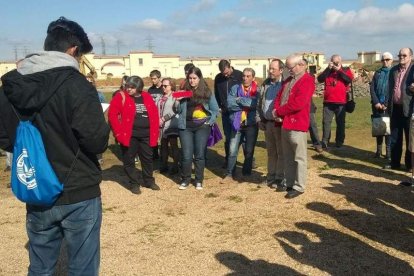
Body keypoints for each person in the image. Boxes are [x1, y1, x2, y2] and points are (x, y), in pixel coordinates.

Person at [0, 17, 110, 275]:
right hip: (78, 189)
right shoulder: (77, 85)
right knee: (82, 267)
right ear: (73, 50)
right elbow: (96, 141)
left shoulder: (10, 87)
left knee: (40, 267)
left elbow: (5, 138)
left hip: (35, 187)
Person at [108, 76, 160, 194]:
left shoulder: (146, 96)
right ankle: (134, 183)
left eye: (132, 87)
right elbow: (112, 115)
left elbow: (154, 114)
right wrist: (118, 133)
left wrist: (155, 131)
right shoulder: (120, 96)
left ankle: (149, 181)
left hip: (146, 135)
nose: (129, 89)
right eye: (127, 86)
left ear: (139, 88)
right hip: (130, 135)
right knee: (129, 160)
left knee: (147, 159)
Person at [273, 55, 315, 198]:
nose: (288, 70)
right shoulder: (288, 80)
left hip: (297, 123)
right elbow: (279, 97)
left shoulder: (307, 80)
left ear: (301, 65)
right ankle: (290, 182)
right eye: (287, 67)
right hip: (284, 122)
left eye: (290, 67)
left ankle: (299, 185)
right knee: (288, 156)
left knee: (299, 157)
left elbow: (299, 103)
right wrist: (277, 111)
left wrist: (279, 111)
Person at [175, 67, 219, 190]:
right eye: (190, 78)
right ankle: (185, 179)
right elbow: (176, 110)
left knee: (199, 154)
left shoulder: (207, 92)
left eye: (194, 78)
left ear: (199, 78)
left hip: (202, 127)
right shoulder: (184, 92)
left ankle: (199, 180)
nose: (192, 81)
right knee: (186, 155)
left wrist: (209, 122)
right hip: (185, 127)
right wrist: (178, 102)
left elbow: (215, 110)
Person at [221, 68, 259, 183]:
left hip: (251, 123)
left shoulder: (257, 90)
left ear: (253, 78)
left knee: (249, 150)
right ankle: (229, 174)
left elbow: (256, 104)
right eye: (243, 76)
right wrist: (247, 102)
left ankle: (246, 173)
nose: (245, 78)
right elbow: (230, 104)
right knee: (232, 150)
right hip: (237, 123)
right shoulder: (235, 88)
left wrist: (240, 100)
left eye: (248, 76)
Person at [384, 48, 414, 171]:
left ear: (411, 56)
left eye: (404, 55)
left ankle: (409, 165)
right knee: (395, 137)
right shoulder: (393, 70)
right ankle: (395, 163)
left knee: (410, 138)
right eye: (400, 55)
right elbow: (390, 90)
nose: (401, 57)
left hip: (409, 109)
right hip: (395, 108)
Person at [257, 59, 285, 187]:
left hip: (279, 124)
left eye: (273, 69)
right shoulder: (265, 84)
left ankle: (279, 178)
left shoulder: (285, 84)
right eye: (270, 68)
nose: (270, 71)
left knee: (281, 152)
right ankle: (270, 177)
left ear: (281, 70)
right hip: (267, 123)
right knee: (271, 152)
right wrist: (259, 119)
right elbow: (259, 103)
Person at [317, 54, 353, 149]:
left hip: (341, 102)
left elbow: (348, 80)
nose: (335, 64)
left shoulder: (346, 70)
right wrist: (328, 69)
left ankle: (339, 142)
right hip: (328, 102)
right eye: (333, 62)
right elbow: (320, 79)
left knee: (340, 123)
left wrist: (339, 70)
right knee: (326, 122)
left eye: (337, 62)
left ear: (340, 62)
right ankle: (325, 141)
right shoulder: (328, 71)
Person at [214, 59, 243, 168]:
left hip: (238, 112)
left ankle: (249, 160)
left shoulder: (239, 75)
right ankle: (228, 160)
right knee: (228, 136)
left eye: (227, 73)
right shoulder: (218, 78)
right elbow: (216, 93)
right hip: (225, 112)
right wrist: (219, 106)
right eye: (223, 73)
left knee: (240, 136)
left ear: (230, 67)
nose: (225, 75)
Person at [370, 52, 393, 159]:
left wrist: (386, 104)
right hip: (377, 105)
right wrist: (376, 102)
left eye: (387, 59)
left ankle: (388, 152)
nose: (385, 61)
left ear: (391, 60)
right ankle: (378, 151)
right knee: (378, 127)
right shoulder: (377, 73)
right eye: (383, 60)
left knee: (388, 129)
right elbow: (372, 88)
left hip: (389, 106)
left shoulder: (394, 73)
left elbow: (393, 90)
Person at [158, 77, 180, 175]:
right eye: (162, 85)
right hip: (161, 126)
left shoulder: (175, 96)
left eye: (166, 86)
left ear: (171, 86)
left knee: (173, 146)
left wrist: (163, 118)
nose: (163, 87)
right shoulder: (160, 97)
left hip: (171, 125)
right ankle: (164, 165)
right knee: (163, 146)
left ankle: (176, 165)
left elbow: (176, 110)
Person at [148, 70, 163, 160]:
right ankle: (154, 154)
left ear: (159, 78)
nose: (153, 81)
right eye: (151, 79)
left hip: (163, 116)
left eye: (154, 79)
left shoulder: (164, 88)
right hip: (152, 116)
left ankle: (164, 154)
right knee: (153, 135)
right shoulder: (150, 90)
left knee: (164, 137)